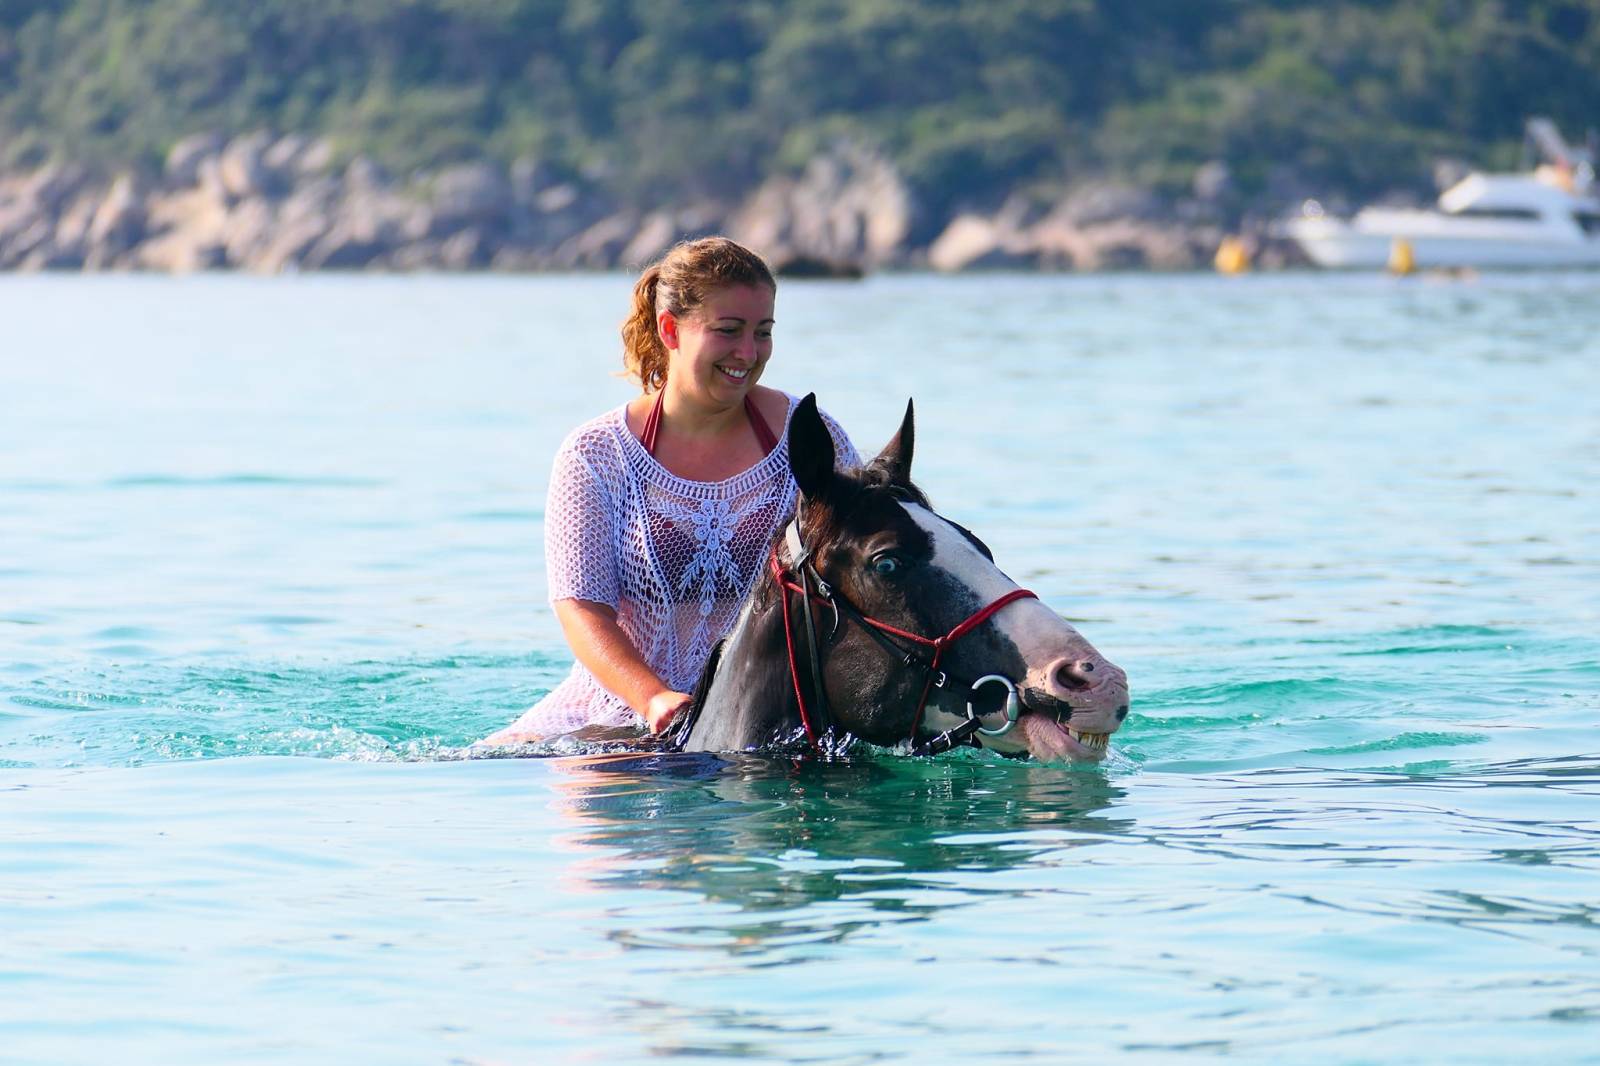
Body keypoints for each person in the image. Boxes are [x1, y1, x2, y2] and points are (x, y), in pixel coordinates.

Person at [484, 237, 859, 744]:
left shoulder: (810, 436)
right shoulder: (596, 455)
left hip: (778, 720)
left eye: (763, 332)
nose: (748, 353)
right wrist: (654, 698)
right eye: (728, 330)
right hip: (622, 720)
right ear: (670, 330)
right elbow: (581, 608)